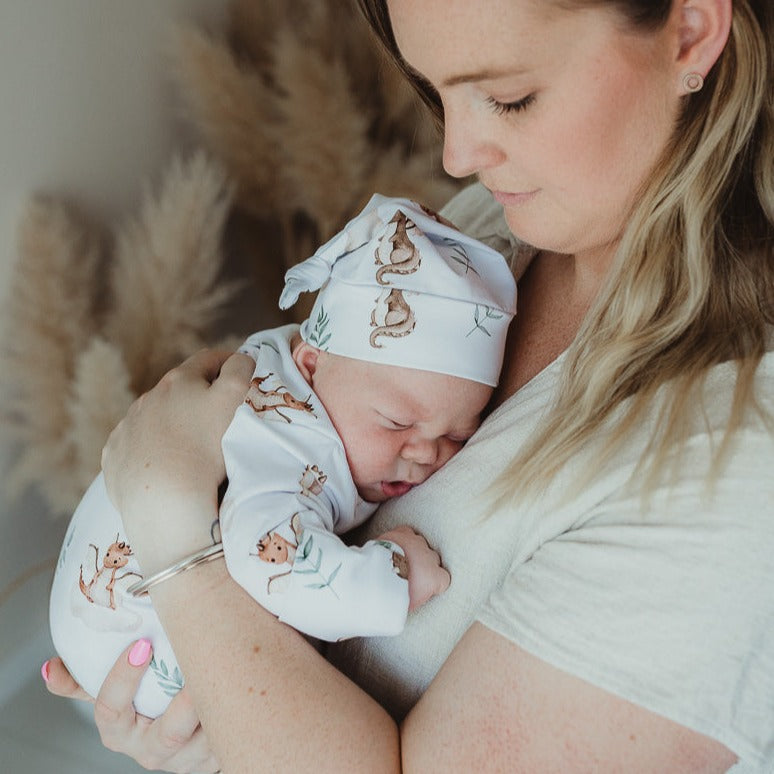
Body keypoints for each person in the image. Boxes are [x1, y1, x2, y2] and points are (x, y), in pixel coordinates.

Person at [42, 0, 773, 771]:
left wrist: (171, 532)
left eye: (508, 96)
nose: (456, 155)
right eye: (436, 91)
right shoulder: (486, 237)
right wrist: (204, 723)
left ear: (691, 30)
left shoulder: (735, 460)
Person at [47, 194, 516, 718]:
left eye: (458, 435)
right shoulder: (286, 440)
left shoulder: (312, 379)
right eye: (397, 422)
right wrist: (394, 574)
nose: (426, 452)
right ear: (311, 366)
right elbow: (271, 558)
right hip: (134, 636)